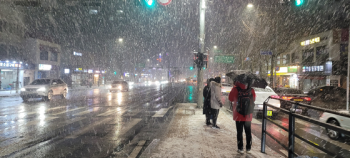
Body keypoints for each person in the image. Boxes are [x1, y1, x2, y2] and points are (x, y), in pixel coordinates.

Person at [228, 80, 256, 154]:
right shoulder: (251, 89)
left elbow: (230, 99)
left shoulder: (235, 89)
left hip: (238, 115)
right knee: (248, 132)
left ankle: (240, 148)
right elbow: (254, 99)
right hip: (248, 115)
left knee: (239, 132)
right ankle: (248, 148)